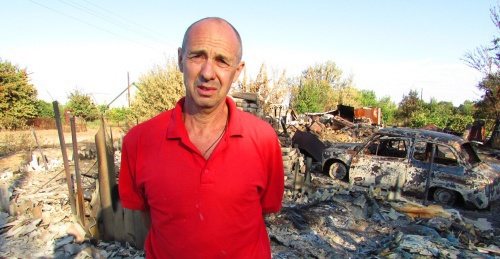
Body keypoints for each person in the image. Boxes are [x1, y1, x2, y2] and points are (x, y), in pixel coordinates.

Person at [118, 17, 285, 258]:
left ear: (237, 71)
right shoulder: (139, 141)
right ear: (180, 60)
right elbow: (148, 217)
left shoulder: (264, 140)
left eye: (222, 61)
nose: (208, 72)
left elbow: (263, 211)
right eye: (197, 56)